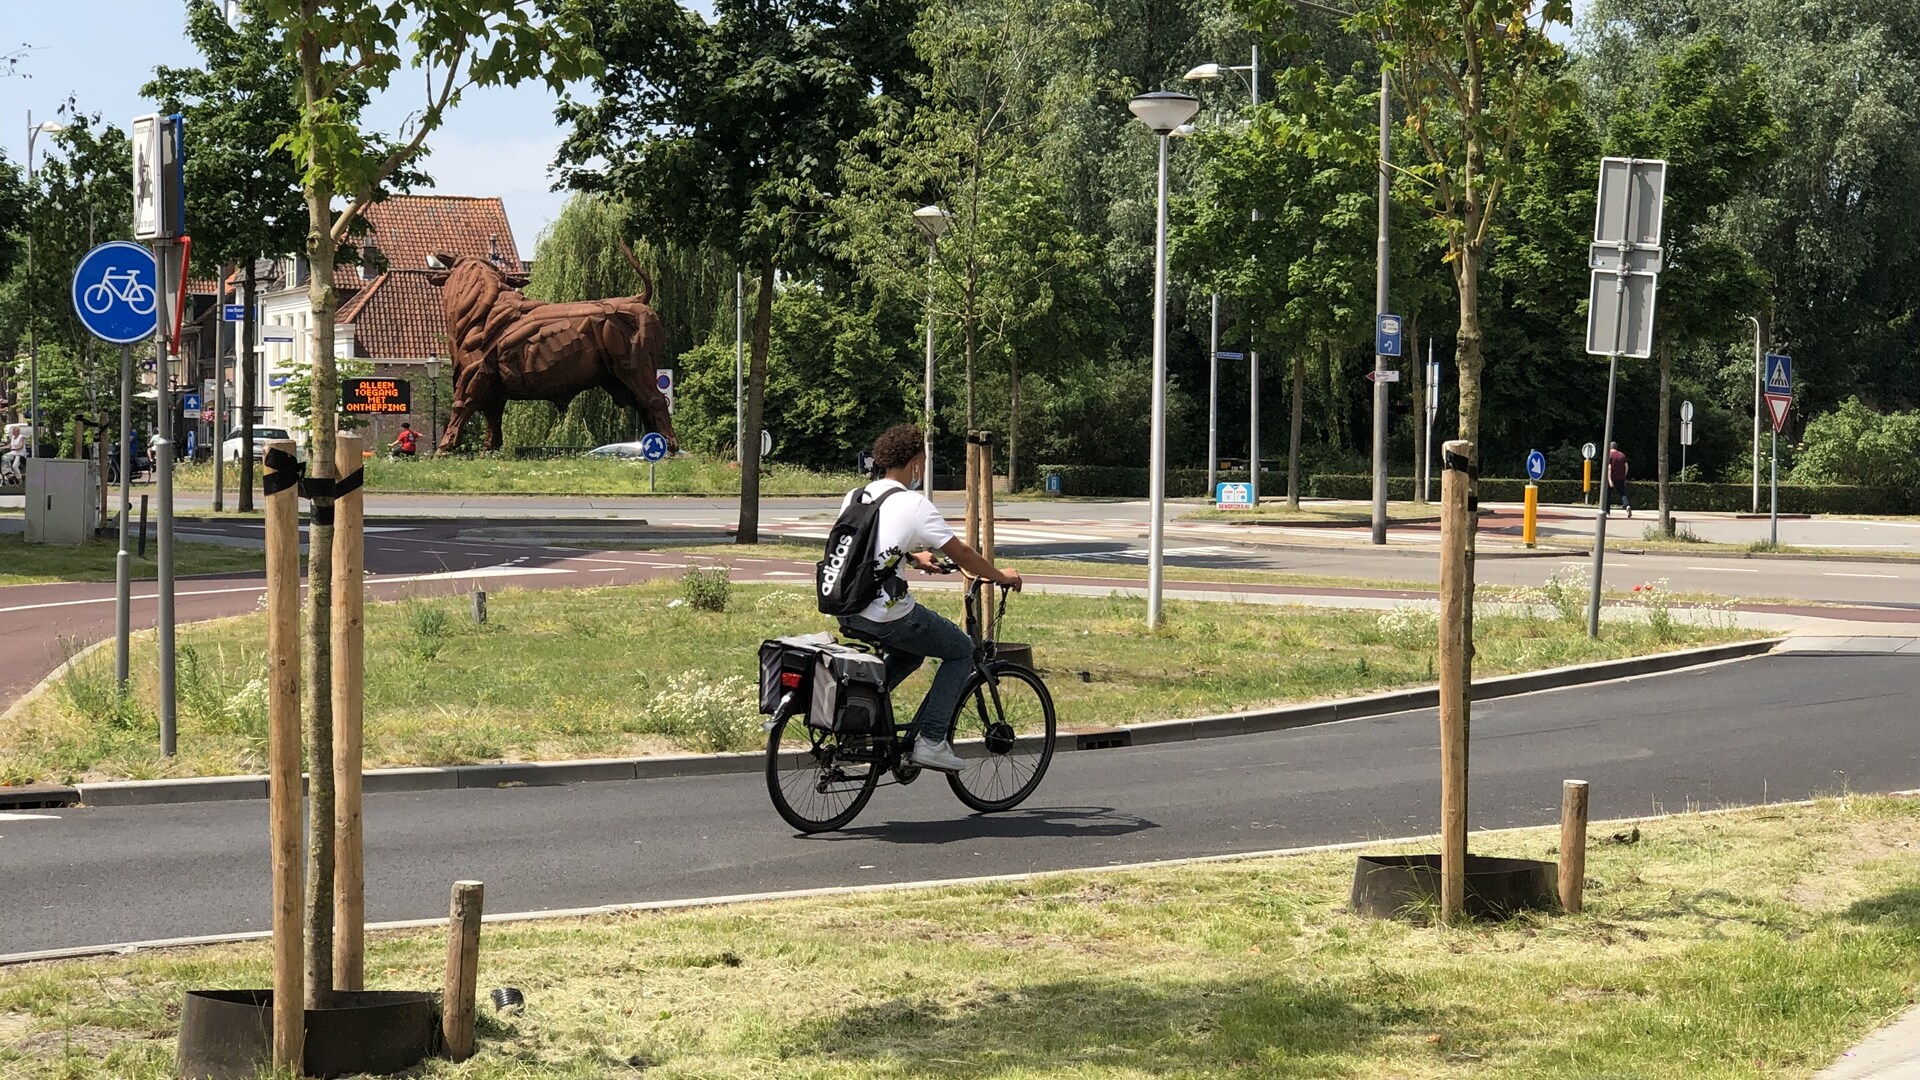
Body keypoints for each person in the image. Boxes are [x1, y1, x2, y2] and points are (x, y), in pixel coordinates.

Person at [835, 423, 1021, 774]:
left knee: (910, 654)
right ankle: (932, 741)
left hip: (846, 607)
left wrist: (911, 556)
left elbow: (863, 548)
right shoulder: (913, 504)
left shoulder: (857, 495)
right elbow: (962, 553)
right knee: (961, 650)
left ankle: (856, 721)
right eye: (922, 460)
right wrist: (999, 577)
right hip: (886, 613)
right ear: (916, 462)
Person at [1607, 441, 1632, 518]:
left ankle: (1607, 511)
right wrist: (1624, 475)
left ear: (1610, 447)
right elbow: (1626, 466)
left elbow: (1609, 468)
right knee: (1622, 493)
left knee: (1607, 495)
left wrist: (1610, 480)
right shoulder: (1622, 455)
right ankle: (1627, 505)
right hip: (1621, 478)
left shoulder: (1609, 455)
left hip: (1612, 477)